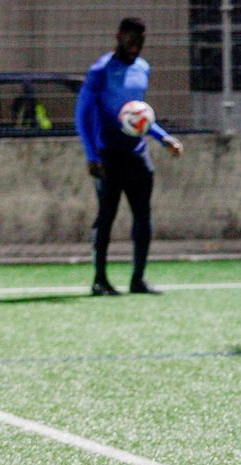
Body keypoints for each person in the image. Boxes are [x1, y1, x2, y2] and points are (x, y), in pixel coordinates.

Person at [76, 17, 183, 296]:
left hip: (137, 153)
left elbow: (139, 117)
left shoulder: (143, 68)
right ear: (118, 36)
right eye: (130, 39)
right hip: (107, 154)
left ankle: (138, 279)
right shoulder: (100, 70)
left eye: (140, 40)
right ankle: (100, 280)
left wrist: (164, 138)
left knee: (143, 215)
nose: (135, 46)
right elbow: (82, 115)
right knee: (107, 215)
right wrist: (91, 156)